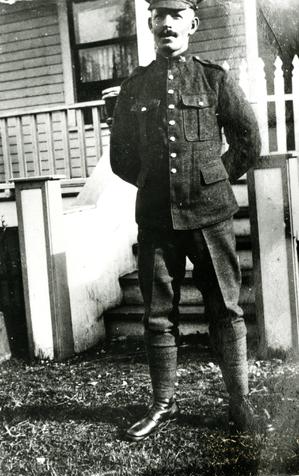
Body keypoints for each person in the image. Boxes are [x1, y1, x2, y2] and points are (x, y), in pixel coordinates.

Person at [110, 0, 273, 442]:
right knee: (158, 314)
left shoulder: (214, 78)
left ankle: (240, 401)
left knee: (226, 308)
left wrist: (211, 178)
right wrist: (154, 181)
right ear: (149, 23)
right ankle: (163, 402)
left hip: (210, 215)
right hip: (157, 219)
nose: (167, 24)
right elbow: (121, 158)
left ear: (192, 24)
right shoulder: (134, 88)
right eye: (159, 16)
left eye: (176, 16)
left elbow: (247, 140)